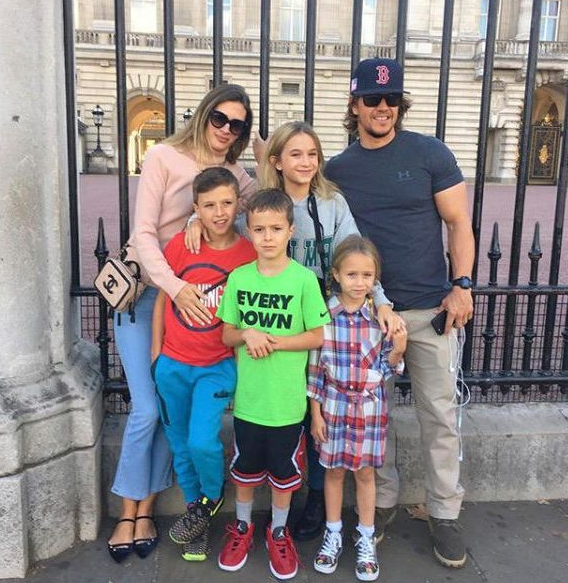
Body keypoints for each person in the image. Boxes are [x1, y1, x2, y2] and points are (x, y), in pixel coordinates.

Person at [187, 121, 406, 540]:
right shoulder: (265, 205)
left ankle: (319, 505)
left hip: (329, 318)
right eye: (295, 154)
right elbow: (226, 226)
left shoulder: (333, 203)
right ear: (277, 162)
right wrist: (192, 225)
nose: (305, 162)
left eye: (312, 154)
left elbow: (354, 252)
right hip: (283, 318)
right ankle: (287, 504)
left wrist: (380, 300)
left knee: (321, 411)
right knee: (296, 415)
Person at [324, 58, 475, 569]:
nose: (382, 108)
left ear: (400, 105)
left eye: (391, 100)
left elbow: (458, 223)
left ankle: (445, 513)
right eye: (372, 99)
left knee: (440, 417)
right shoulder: (339, 168)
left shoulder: (430, 153)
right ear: (355, 105)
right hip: (368, 317)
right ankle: (381, 504)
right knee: (373, 418)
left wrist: (462, 285)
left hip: (431, 309)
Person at [107, 83, 255, 563]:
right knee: (149, 410)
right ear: (204, 115)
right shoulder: (165, 157)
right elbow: (144, 232)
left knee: (177, 414)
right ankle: (128, 511)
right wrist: (175, 285)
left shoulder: (233, 172)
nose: (226, 130)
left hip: (199, 302)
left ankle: (148, 510)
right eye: (220, 119)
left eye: (237, 124)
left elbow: (266, 203)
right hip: (153, 293)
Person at [215, 189, 330, 580]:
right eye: (259, 229)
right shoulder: (239, 278)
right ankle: (243, 527)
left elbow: (317, 335)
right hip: (249, 402)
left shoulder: (303, 280)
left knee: (283, 475)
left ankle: (278, 531)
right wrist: (248, 333)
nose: (267, 237)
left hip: (287, 403)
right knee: (245, 472)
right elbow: (226, 333)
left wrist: (274, 341)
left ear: (290, 230)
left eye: (276, 229)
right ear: (249, 231)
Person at [150, 168, 256, 562]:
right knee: (180, 445)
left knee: (201, 441)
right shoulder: (182, 244)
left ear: (238, 205)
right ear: (196, 208)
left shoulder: (247, 253)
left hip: (216, 365)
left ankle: (211, 498)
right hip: (173, 363)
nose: (219, 212)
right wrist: (155, 353)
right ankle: (198, 518)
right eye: (208, 205)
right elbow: (164, 297)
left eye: (227, 203)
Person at [308, 235, 407, 581]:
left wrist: (397, 350)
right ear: (335, 274)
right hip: (333, 406)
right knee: (333, 472)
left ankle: (366, 537)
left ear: (375, 279)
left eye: (367, 276)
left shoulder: (379, 320)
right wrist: (315, 412)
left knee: (365, 474)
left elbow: (387, 368)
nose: (359, 282)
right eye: (351, 275)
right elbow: (314, 366)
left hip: (368, 409)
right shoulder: (323, 315)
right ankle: (333, 533)